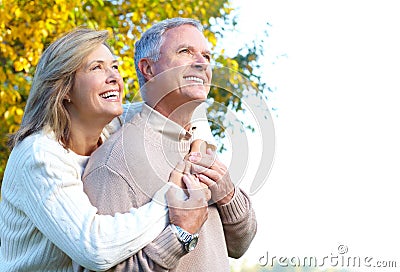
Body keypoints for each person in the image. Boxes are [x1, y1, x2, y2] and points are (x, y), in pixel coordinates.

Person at [0, 28, 210, 272]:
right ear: (64, 89)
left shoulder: (110, 126)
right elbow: (95, 248)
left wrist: (200, 144)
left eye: (115, 67)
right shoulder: (39, 155)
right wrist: (171, 200)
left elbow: (183, 109)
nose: (114, 78)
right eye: (96, 67)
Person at [80, 17, 257, 271]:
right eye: (185, 51)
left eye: (207, 56)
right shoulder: (114, 162)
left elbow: (240, 245)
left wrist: (228, 194)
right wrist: (180, 236)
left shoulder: (201, 146)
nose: (201, 63)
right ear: (148, 69)